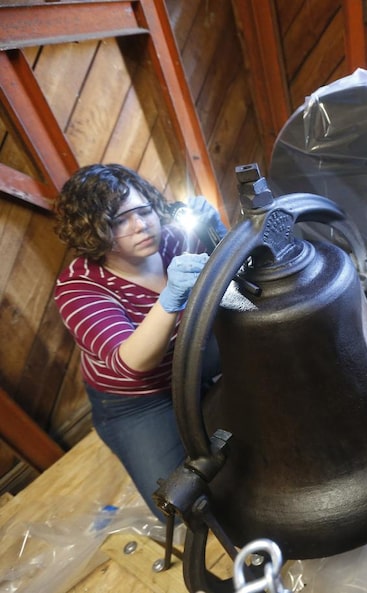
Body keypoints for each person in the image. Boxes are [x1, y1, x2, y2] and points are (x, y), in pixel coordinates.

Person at [53, 163, 226, 520]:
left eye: (143, 210)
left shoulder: (174, 239)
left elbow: (231, 276)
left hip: (193, 354)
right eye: (119, 221)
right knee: (176, 508)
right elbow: (130, 362)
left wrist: (218, 236)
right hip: (141, 397)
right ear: (93, 233)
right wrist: (170, 298)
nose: (142, 225)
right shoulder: (79, 289)